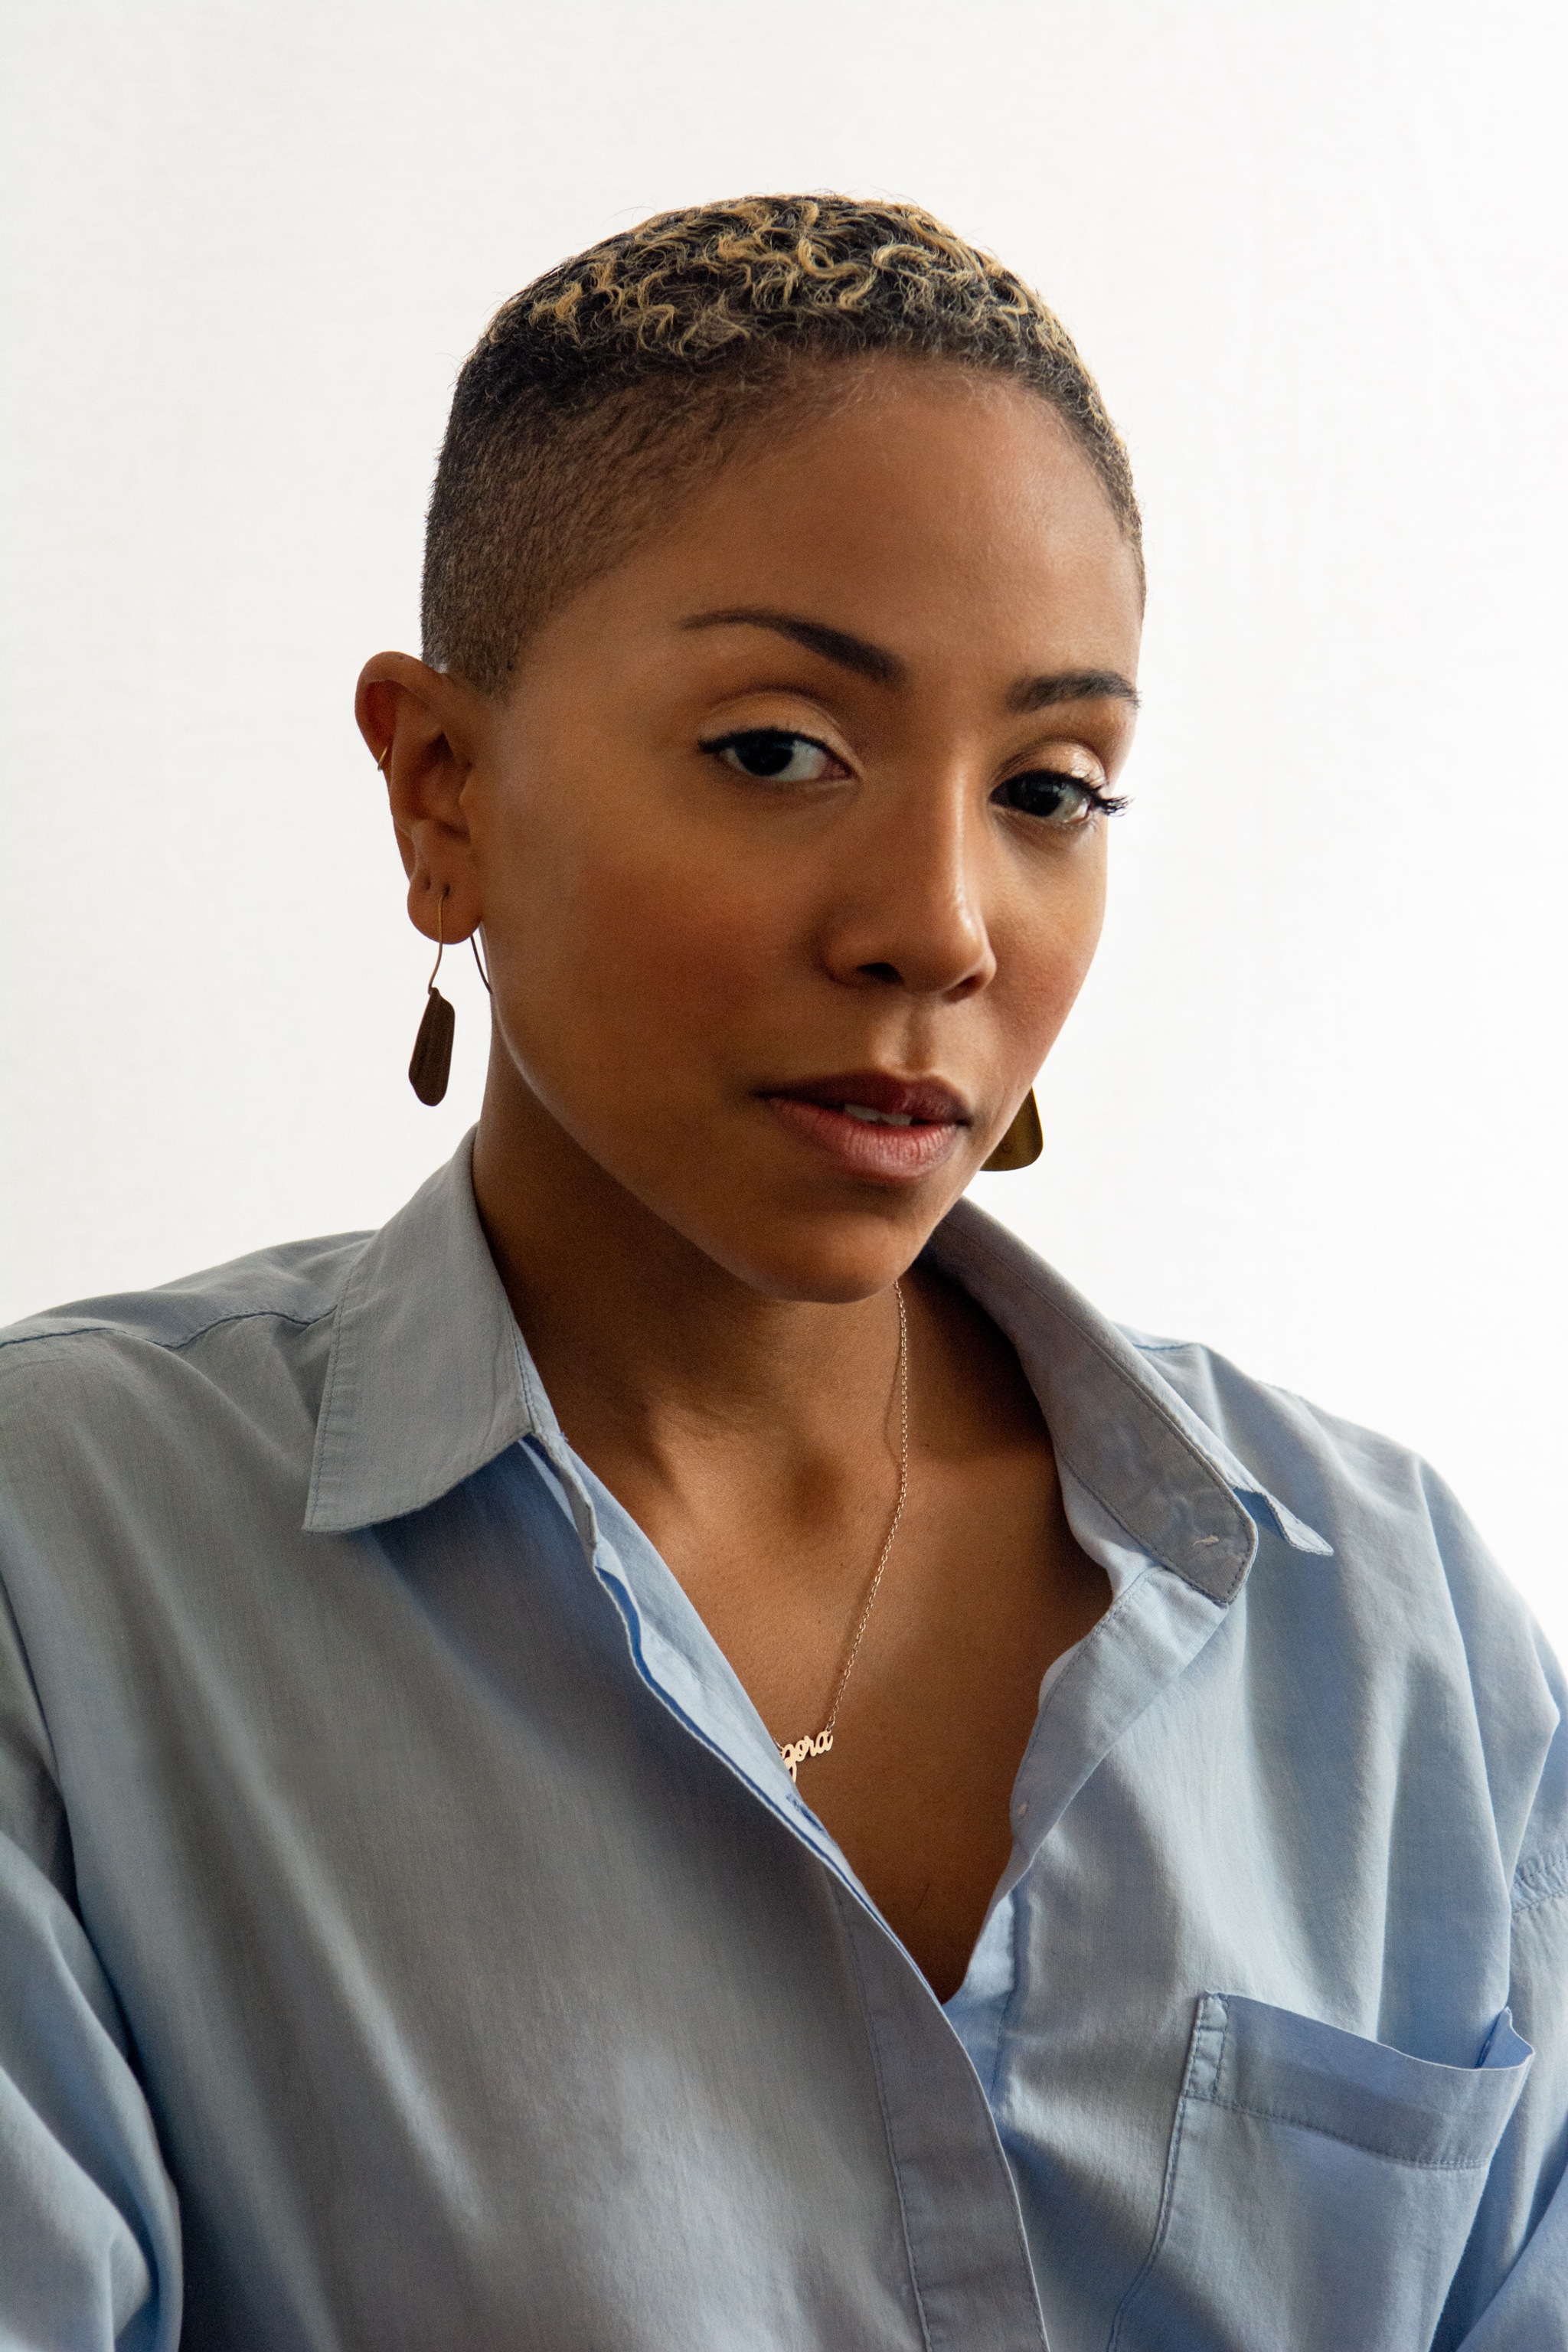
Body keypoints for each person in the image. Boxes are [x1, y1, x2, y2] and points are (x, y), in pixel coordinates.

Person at [0, 194, 1561, 2352]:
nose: (943, 922)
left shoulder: (1396, 1637)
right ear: (441, 790)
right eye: (776, 751)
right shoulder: (63, 1573)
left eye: (1052, 785)